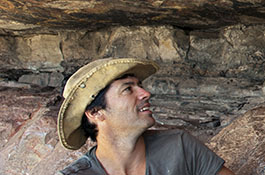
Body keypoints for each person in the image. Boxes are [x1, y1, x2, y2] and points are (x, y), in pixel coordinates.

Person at [57, 57, 235, 175]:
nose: (145, 93)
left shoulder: (179, 147)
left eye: (139, 85)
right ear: (96, 113)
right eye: (128, 89)